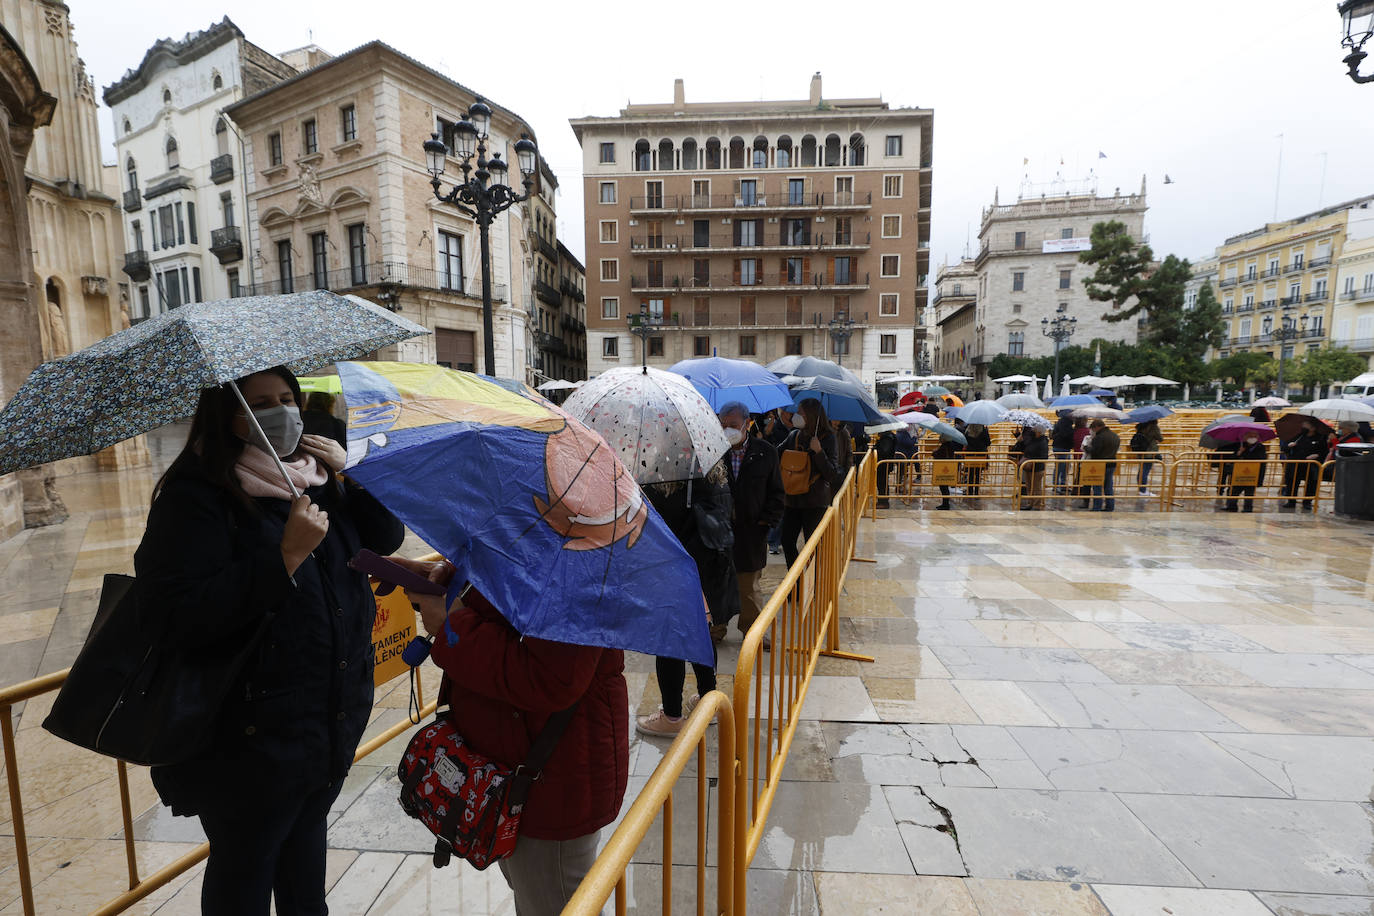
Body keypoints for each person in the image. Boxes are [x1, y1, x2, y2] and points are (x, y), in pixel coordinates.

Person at [135, 367, 404, 916]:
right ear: (227, 416)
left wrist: (354, 477)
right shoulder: (197, 496)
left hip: (324, 722)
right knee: (245, 878)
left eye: (287, 398)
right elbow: (178, 615)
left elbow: (387, 537)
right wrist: (283, 556)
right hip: (247, 741)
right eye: (260, 403)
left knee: (305, 881)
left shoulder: (316, 476)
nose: (281, 412)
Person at [398, 559, 628, 916]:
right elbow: (509, 607)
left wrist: (451, 625)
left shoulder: (577, 552)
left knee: (556, 901)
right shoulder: (537, 525)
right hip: (515, 767)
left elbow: (552, 677)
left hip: (550, 778)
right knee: (535, 892)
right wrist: (452, 583)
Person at [636, 459, 737, 736]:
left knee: (669, 640)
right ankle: (708, 700)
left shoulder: (669, 476)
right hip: (708, 568)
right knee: (700, 633)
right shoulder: (714, 471)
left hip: (676, 569)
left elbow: (654, 521)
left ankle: (671, 717)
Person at [719, 402, 784, 647]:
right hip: (720, 531)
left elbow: (777, 493)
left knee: (749, 587)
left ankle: (752, 632)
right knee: (718, 583)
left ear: (747, 424)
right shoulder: (713, 451)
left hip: (751, 531)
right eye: (723, 425)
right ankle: (716, 628)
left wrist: (766, 521)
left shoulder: (766, 452)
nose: (728, 431)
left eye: (733, 426)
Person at [778, 398, 841, 566]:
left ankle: (815, 585)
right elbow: (777, 454)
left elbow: (832, 474)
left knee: (813, 546)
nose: (796, 416)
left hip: (814, 502)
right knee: (787, 541)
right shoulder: (794, 435)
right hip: (792, 499)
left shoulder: (828, 438)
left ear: (812, 416)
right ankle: (796, 580)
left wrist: (819, 452)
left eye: (800, 413)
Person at [1282, 418, 1327, 509]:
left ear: (1313, 428)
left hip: (1311, 465)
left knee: (1311, 483)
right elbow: (1284, 448)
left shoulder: (1320, 438)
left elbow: (1324, 451)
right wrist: (1289, 446)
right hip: (1295, 463)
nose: (1303, 428)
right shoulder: (1298, 436)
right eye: (1303, 426)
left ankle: (1307, 501)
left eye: (1306, 426)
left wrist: (1317, 455)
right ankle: (1291, 501)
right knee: (1292, 482)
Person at [1225, 434, 1268, 512]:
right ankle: (1231, 506)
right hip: (1239, 473)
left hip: (1252, 474)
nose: (1252, 438)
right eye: (1249, 436)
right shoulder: (1241, 445)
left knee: (1249, 492)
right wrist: (1239, 453)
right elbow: (1233, 458)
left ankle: (1248, 508)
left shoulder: (1260, 447)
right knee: (1234, 490)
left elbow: (1261, 460)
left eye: (1254, 436)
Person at [1084, 418, 1119, 511]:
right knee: (1108, 487)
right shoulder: (1115, 435)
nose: (1093, 431)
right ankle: (1110, 506)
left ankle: (1097, 507)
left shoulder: (1099, 437)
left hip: (1100, 464)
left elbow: (1095, 451)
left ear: (1097, 427)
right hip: (1111, 463)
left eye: (1093, 429)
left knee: (1097, 487)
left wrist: (1087, 448)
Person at [1130, 419, 1164, 496]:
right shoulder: (1153, 427)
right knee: (1145, 471)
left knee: (1141, 470)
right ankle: (1143, 490)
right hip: (1149, 452)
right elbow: (1160, 438)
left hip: (1141, 452)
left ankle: (1141, 488)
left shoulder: (1141, 426)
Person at [1019, 426, 1050, 510]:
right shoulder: (1032, 439)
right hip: (1029, 467)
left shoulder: (1043, 442)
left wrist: (1032, 460)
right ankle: (1030, 503)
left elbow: (1044, 457)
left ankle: (1036, 505)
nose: (1033, 431)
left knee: (1036, 487)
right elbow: (1025, 447)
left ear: (1039, 432)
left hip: (1037, 468)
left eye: (1035, 430)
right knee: (1029, 486)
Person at [962, 423, 991, 503]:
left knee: (970, 473)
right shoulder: (984, 430)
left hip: (970, 454)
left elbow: (965, 442)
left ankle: (970, 491)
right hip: (981, 455)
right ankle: (976, 492)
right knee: (978, 474)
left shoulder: (967, 431)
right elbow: (988, 443)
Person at [1051, 412, 1076, 493]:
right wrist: (1073, 431)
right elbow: (1065, 434)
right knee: (1060, 467)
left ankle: (1061, 484)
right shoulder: (1065, 423)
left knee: (1065, 466)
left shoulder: (1064, 422)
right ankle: (1057, 485)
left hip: (1062, 447)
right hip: (1061, 447)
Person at [931, 434, 958, 510]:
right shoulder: (950, 445)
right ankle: (945, 503)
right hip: (947, 467)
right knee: (945, 487)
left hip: (943, 469)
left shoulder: (944, 446)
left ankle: (945, 504)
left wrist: (934, 452)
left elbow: (939, 455)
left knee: (944, 487)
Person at [873, 429, 898, 509]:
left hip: (883, 464)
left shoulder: (887, 438)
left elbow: (884, 451)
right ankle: (882, 500)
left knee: (882, 483)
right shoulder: (887, 437)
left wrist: (876, 448)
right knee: (882, 482)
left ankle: (883, 502)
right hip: (883, 464)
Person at [1072, 417, 1092, 508]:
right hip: (1085, 455)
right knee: (1083, 475)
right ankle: (1079, 490)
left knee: (1079, 473)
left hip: (1077, 453)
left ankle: (1076, 489)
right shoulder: (1087, 432)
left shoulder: (1075, 431)